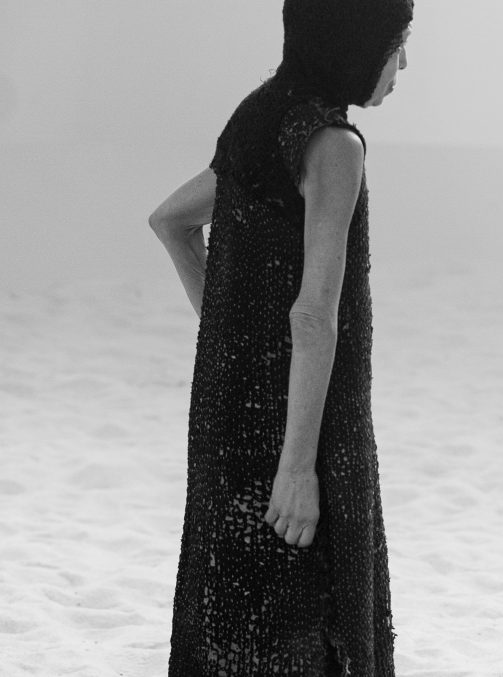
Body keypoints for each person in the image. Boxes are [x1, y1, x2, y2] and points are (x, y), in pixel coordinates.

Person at [145, 1, 413, 673]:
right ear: (356, 43)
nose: (402, 64)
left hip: (229, 412)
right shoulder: (335, 146)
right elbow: (314, 315)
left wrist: (232, 337)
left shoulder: (259, 117)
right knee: (316, 624)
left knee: (236, 622)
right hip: (310, 425)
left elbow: (170, 222)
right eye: (396, 43)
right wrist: (297, 469)